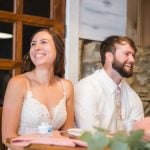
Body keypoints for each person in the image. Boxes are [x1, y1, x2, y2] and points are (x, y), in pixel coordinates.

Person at [2, 28, 74, 150]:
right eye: (33, 44)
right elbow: (8, 138)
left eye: (43, 42)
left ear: (58, 49)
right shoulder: (18, 83)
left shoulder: (67, 86)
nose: (37, 47)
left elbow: (67, 134)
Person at [75, 35, 144, 133]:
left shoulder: (133, 97)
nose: (132, 60)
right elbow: (91, 135)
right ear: (109, 57)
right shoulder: (87, 88)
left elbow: (137, 136)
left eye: (133, 55)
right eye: (127, 54)